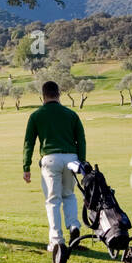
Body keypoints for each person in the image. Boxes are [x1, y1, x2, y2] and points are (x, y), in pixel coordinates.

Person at [22, 80, 87, 252]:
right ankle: (74, 226)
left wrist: (26, 166)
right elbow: (81, 139)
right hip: (72, 159)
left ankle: (56, 241)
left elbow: (29, 142)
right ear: (59, 94)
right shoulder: (71, 114)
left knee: (53, 201)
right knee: (69, 195)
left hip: (50, 160)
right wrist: (82, 162)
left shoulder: (36, 115)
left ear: (42, 96)